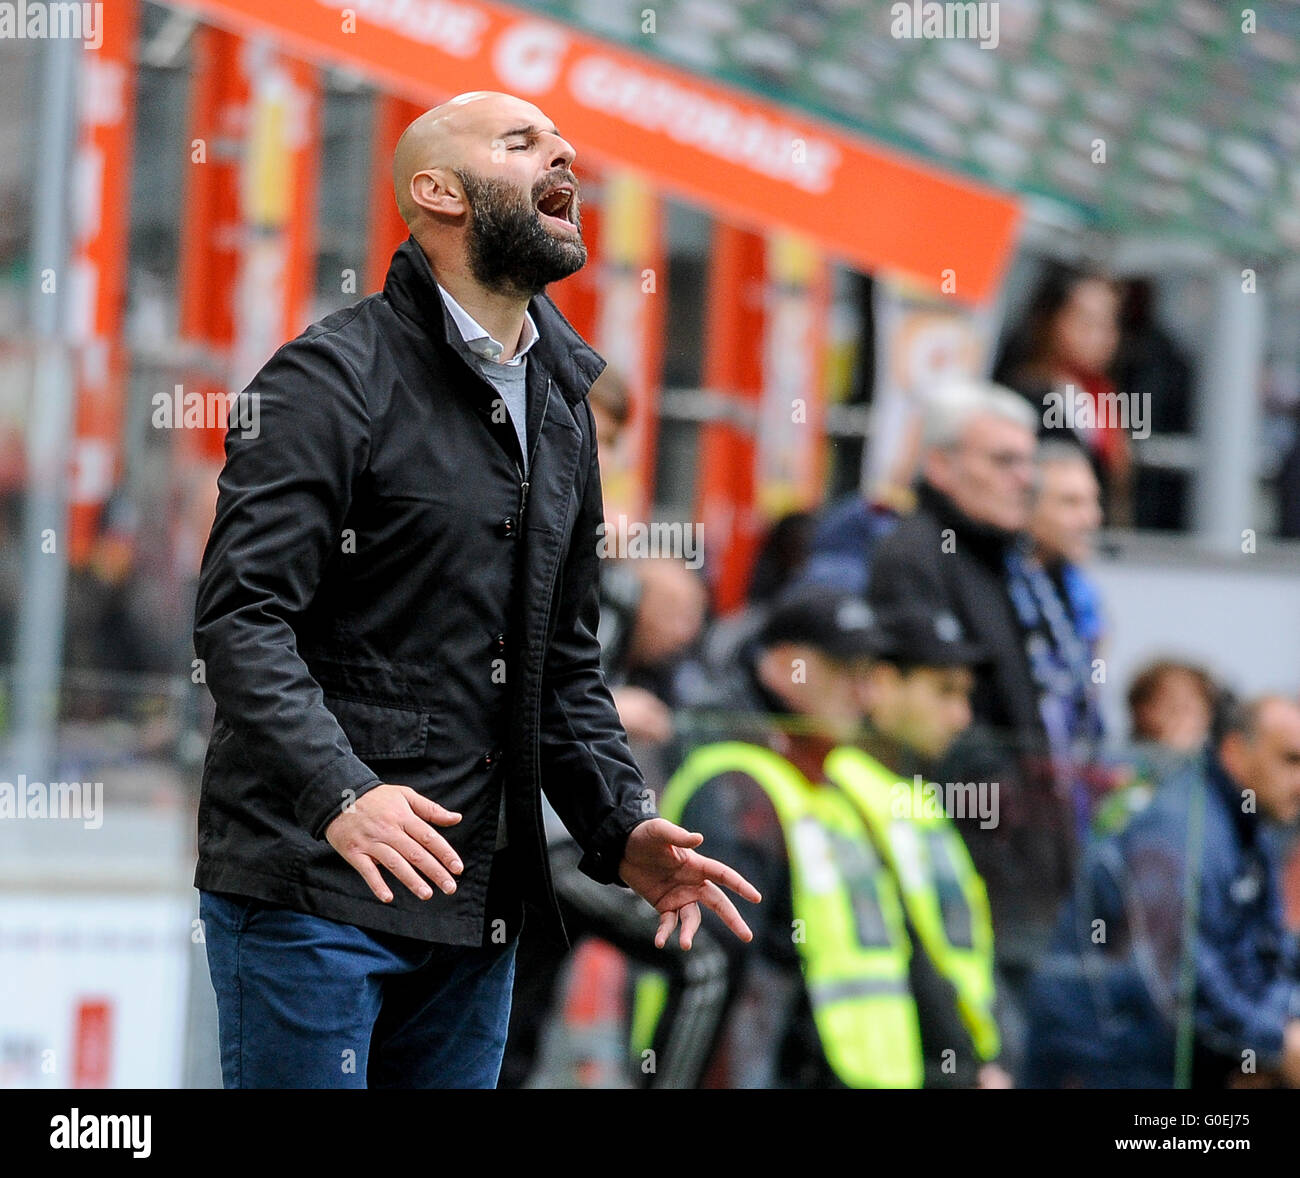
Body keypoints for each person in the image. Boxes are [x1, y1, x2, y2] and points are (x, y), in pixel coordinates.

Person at [191, 90, 758, 1089]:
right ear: (437, 192)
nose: (563, 155)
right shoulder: (326, 377)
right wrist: (342, 794)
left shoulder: (565, 406)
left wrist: (617, 823)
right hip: (313, 887)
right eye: (522, 142)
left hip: (475, 901)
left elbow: (563, 662)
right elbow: (242, 619)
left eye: (563, 143)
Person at [640, 586, 985, 1088]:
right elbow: (713, 972)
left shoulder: (832, 785)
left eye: (868, 676)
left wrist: (964, 1067)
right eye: (845, 671)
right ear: (781, 667)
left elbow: (907, 949)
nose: (863, 694)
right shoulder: (738, 785)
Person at [1025, 696, 1300, 1088]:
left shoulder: (1251, 826)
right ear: (1237, 752)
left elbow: (1263, 954)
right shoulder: (1177, 829)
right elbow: (1180, 976)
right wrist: (1273, 1044)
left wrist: (1280, 1028)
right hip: (1106, 1068)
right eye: (1291, 760)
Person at [993, 264, 1131, 524]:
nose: (1100, 336)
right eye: (1086, 321)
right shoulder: (1025, 395)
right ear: (1051, 320)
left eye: (1109, 322)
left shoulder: (1102, 396)